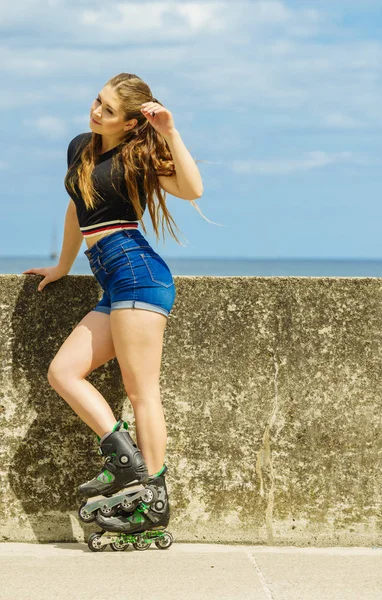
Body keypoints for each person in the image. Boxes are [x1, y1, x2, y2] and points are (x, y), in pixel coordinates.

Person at [22, 72, 208, 542]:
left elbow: (192, 190)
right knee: (63, 371)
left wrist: (170, 131)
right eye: (97, 101)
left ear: (128, 124)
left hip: (137, 273)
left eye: (107, 110)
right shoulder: (81, 146)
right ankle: (127, 466)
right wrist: (62, 266)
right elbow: (75, 209)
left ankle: (153, 499)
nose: (95, 112)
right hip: (110, 277)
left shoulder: (138, 156)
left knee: (142, 391)